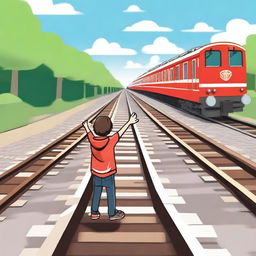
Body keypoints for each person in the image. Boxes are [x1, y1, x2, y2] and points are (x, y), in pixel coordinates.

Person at [83, 112, 139, 221]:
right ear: (109, 129)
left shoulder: (92, 140)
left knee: (97, 192)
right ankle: (112, 213)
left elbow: (88, 133)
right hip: (108, 173)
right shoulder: (110, 140)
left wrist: (86, 126)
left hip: (96, 172)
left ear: (95, 129)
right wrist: (129, 122)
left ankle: (94, 213)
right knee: (110, 193)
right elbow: (120, 133)